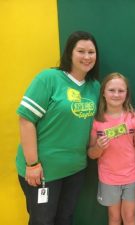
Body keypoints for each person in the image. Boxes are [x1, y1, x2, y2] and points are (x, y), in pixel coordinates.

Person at [16, 31, 100, 225]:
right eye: (81, 51)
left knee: (65, 219)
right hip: (43, 171)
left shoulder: (94, 87)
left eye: (91, 52)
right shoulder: (48, 78)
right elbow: (26, 120)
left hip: (75, 169)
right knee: (42, 221)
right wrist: (32, 164)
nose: (87, 57)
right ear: (69, 53)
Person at [88, 72, 135, 225]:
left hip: (131, 177)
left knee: (130, 216)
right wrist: (98, 148)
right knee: (114, 217)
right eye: (111, 90)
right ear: (103, 93)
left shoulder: (134, 119)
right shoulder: (96, 122)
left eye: (121, 91)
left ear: (126, 94)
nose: (116, 94)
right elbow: (92, 154)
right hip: (108, 178)